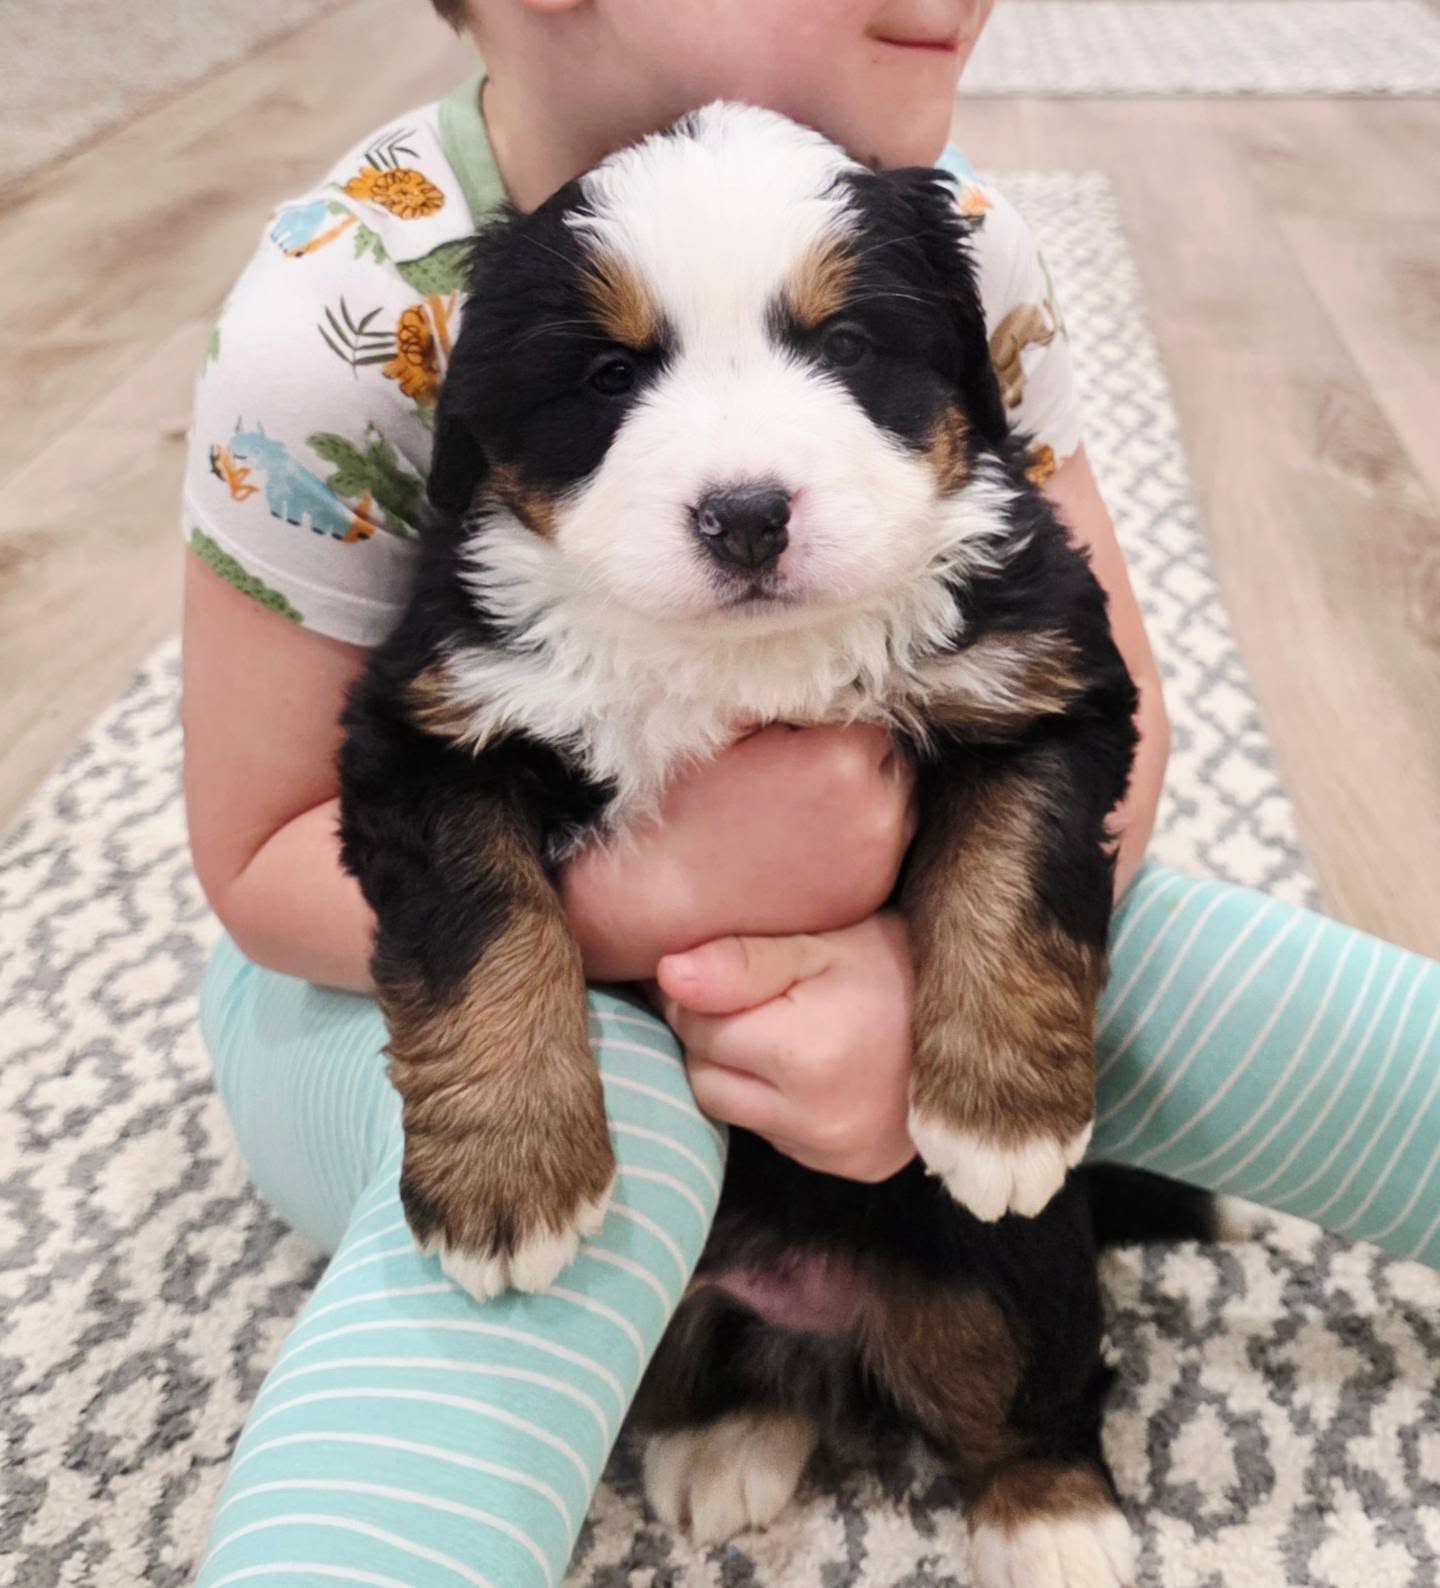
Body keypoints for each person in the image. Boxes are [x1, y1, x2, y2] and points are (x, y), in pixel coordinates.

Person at [180, 2, 1440, 1582]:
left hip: (865, 921)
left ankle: (1008, 1403)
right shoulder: (342, 310)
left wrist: (921, 980)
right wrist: (674, 905)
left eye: (842, 351)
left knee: (1125, 950)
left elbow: (1089, 707)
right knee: (615, 1116)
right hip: (378, 991)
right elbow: (272, 850)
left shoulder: (950, 233)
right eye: (612, 374)